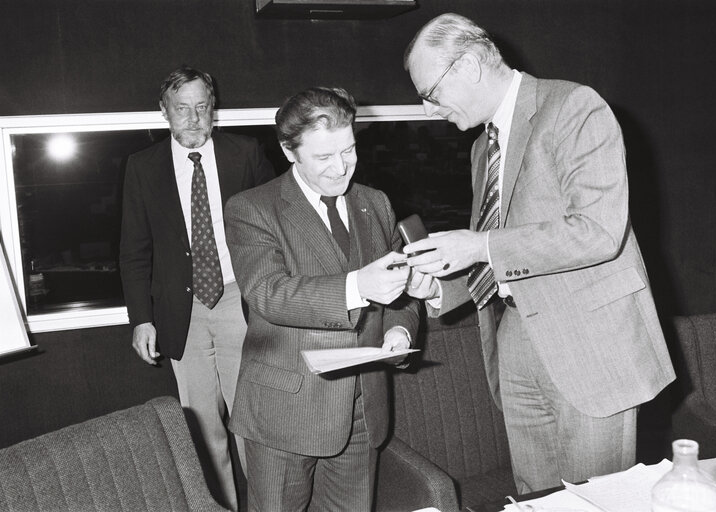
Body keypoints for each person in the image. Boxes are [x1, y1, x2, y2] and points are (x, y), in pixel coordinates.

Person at [402, 13, 676, 494]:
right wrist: (443, 289)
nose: (428, 110)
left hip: (589, 348)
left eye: (430, 93)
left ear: (468, 65)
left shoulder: (573, 107)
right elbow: (501, 252)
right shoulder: (481, 149)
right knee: (534, 497)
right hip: (516, 339)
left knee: (597, 501)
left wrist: (477, 245)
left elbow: (597, 231)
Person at [224, 87, 419, 511]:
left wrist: (400, 331)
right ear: (288, 151)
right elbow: (267, 293)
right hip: (286, 410)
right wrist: (356, 287)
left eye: (348, 151)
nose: (340, 167)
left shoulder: (375, 202)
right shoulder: (251, 208)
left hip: (363, 410)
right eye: (324, 157)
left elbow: (398, 290)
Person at [119, 65, 274, 510]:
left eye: (202, 107)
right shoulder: (142, 167)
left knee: (251, 422)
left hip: (238, 302)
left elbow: (276, 228)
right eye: (182, 109)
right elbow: (133, 251)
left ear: (214, 109)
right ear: (163, 111)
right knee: (204, 431)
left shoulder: (245, 154)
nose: (194, 118)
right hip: (179, 312)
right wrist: (141, 319)